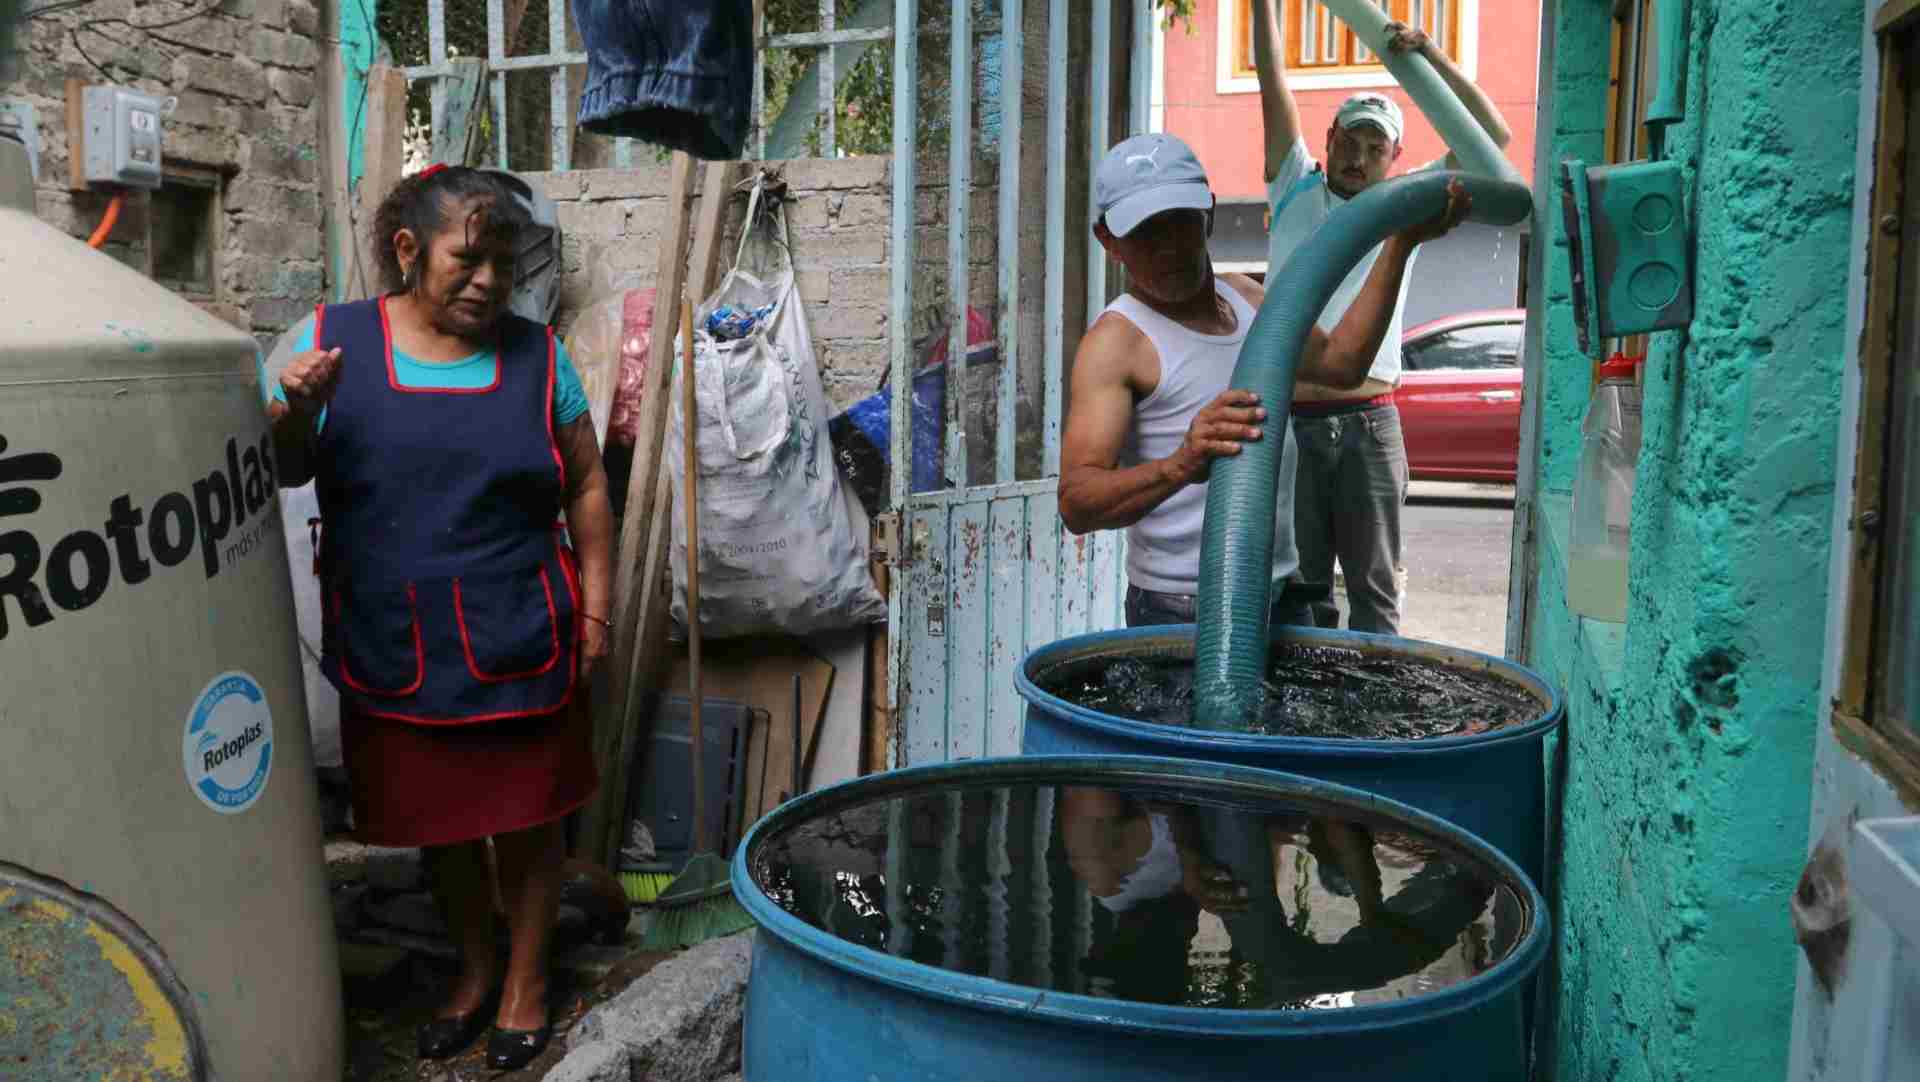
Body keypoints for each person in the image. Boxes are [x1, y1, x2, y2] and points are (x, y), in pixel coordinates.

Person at [261, 165, 614, 1070]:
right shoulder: (328, 344)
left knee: (528, 823)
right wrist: (294, 412)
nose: (490, 281)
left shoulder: (541, 358)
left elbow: (585, 483)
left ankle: (528, 983)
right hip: (396, 643)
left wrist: (599, 613)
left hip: (522, 636)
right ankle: (473, 970)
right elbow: (287, 469)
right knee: (444, 824)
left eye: (503, 260)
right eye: (469, 258)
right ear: (410, 252)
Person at [1058, 132, 1466, 630]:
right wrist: (1181, 463)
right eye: (1145, 232)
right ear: (1108, 240)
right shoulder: (1116, 343)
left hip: (1282, 590)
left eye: (1179, 223)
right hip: (1182, 609)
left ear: (1206, 213)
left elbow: (1342, 364)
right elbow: (1077, 502)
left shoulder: (1245, 298)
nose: (1167, 248)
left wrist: (1398, 244)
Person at [1251, 0, 1513, 634]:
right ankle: (1310, 728)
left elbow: (1493, 140)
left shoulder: (1404, 204)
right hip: (1295, 423)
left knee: (1375, 597)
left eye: (1376, 147)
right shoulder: (1293, 187)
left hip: (1371, 422)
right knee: (1300, 597)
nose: (1359, 157)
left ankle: (1373, 728)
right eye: (1350, 141)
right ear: (1329, 141)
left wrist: (1432, 59)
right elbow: (1270, 73)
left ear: (1395, 159)